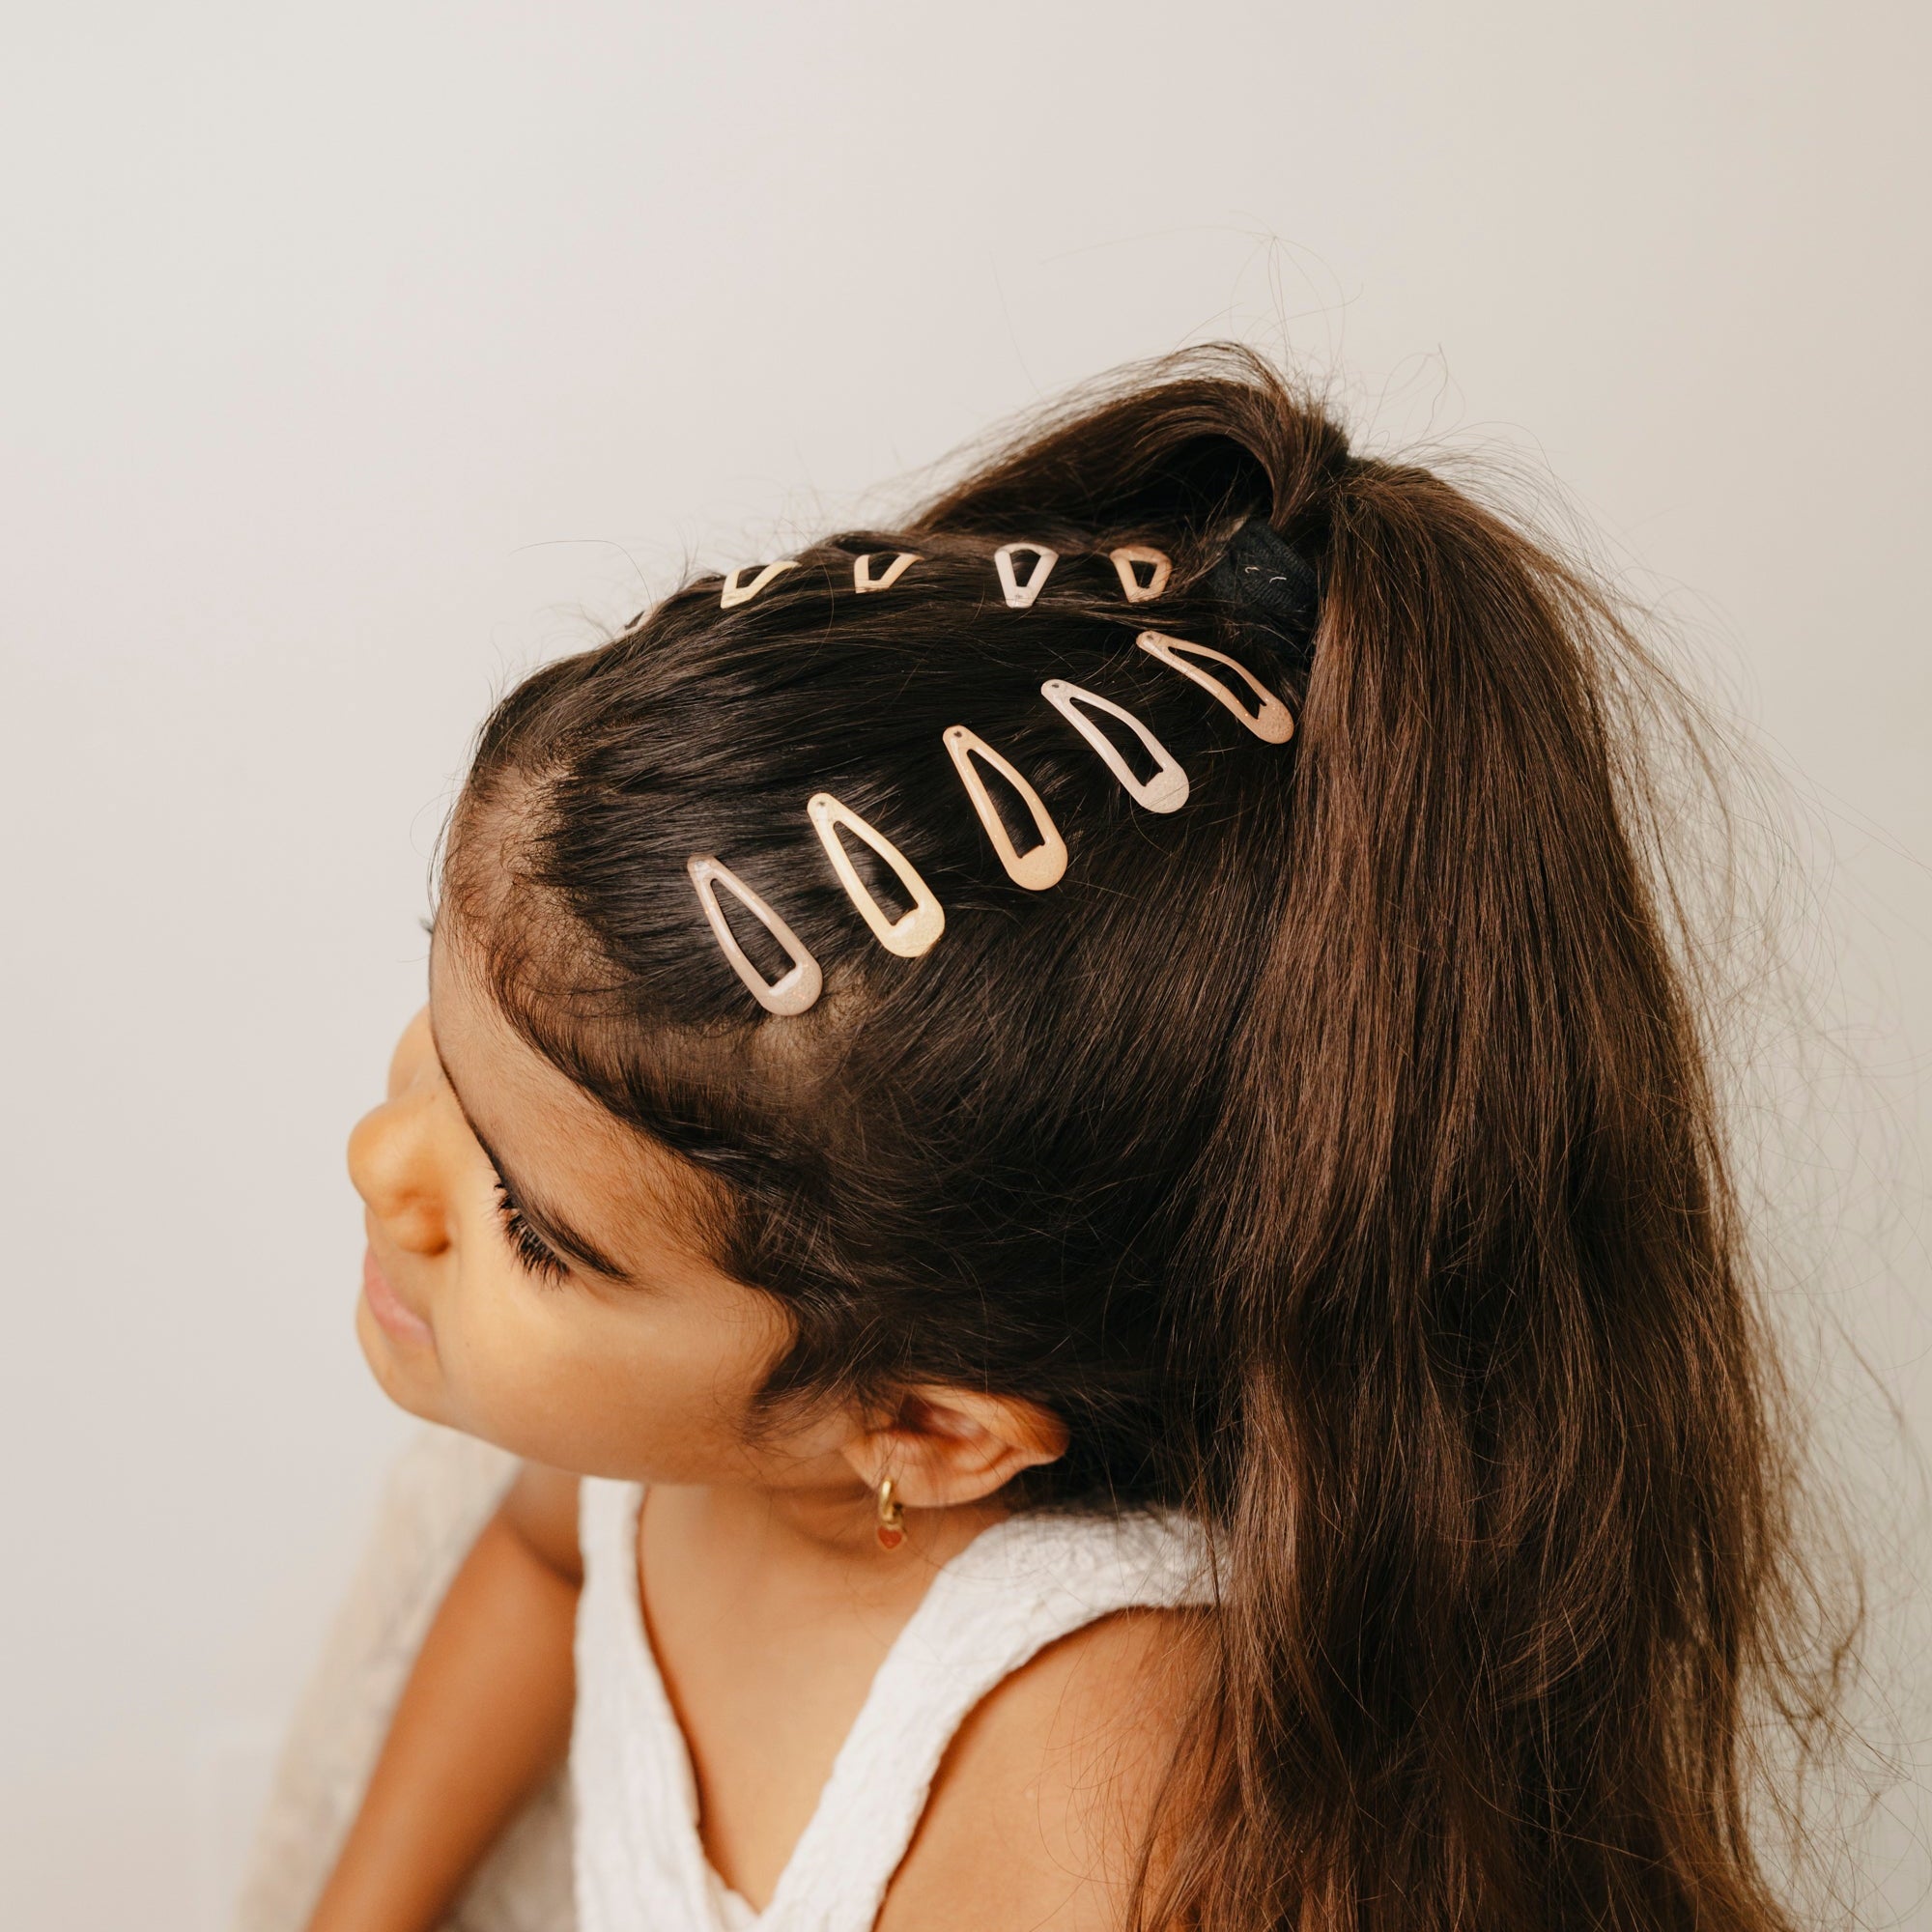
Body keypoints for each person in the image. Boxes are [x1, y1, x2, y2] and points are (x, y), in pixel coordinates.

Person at [306, 345, 1844, 1932]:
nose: (380, 1156)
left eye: (531, 1222)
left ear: (922, 1429)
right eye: (445, 1053)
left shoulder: (1110, 1801)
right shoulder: (695, 1411)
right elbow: (551, 1563)